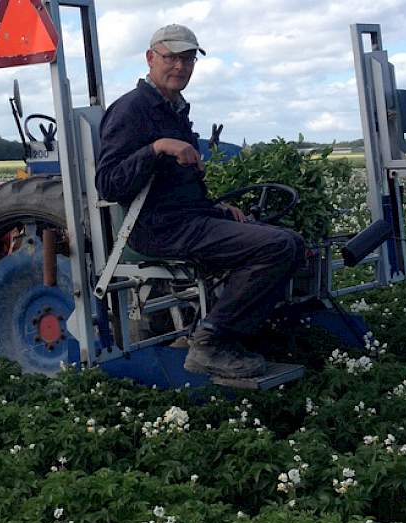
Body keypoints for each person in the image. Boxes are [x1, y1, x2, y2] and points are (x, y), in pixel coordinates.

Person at [95, 24, 305, 379]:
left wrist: (217, 210)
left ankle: (234, 335)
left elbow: (179, 187)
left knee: (291, 240)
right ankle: (211, 342)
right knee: (277, 247)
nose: (180, 66)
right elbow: (109, 184)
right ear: (150, 58)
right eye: (172, 57)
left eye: (188, 59)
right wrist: (157, 148)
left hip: (185, 219)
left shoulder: (173, 109)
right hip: (157, 227)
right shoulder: (132, 110)